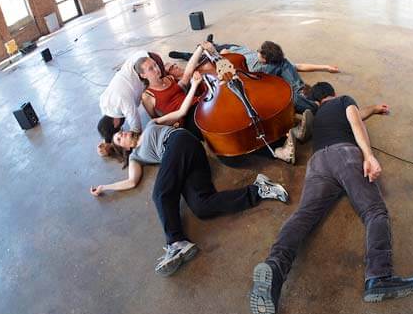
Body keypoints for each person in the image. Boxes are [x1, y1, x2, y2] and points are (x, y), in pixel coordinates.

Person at [248, 82, 413, 314]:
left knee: (303, 216)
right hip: (345, 155)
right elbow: (355, 120)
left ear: (318, 102)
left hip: (318, 163)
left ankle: (275, 268)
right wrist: (369, 156)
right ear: (334, 94)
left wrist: (373, 109)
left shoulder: (319, 115)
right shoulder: (344, 101)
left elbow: (359, 113)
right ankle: (379, 277)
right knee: (374, 212)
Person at [91, 74, 290, 277]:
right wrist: (105, 187)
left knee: (160, 192)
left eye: (121, 132)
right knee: (202, 206)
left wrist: (194, 85)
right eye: (119, 138)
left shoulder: (151, 126)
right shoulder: (136, 157)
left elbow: (181, 112)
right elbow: (131, 181)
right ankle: (259, 189)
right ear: (122, 148)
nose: (123, 134)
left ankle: (176, 242)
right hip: (186, 162)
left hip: (179, 141)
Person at [169, 40, 339, 114]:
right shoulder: (220, 57)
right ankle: (183, 54)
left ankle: (301, 92)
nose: (257, 52)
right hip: (235, 61)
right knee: (194, 55)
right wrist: (217, 53)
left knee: (285, 64)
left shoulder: (250, 55)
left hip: (236, 54)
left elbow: (298, 66)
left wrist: (325, 66)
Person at [96, 50, 166, 153]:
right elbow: (105, 126)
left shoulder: (122, 101)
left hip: (151, 62)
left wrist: (126, 143)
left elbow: (136, 127)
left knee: (164, 84)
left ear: (115, 123)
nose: (122, 128)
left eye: (119, 128)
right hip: (139, 57)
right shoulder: (103, 103)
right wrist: (107, 142)